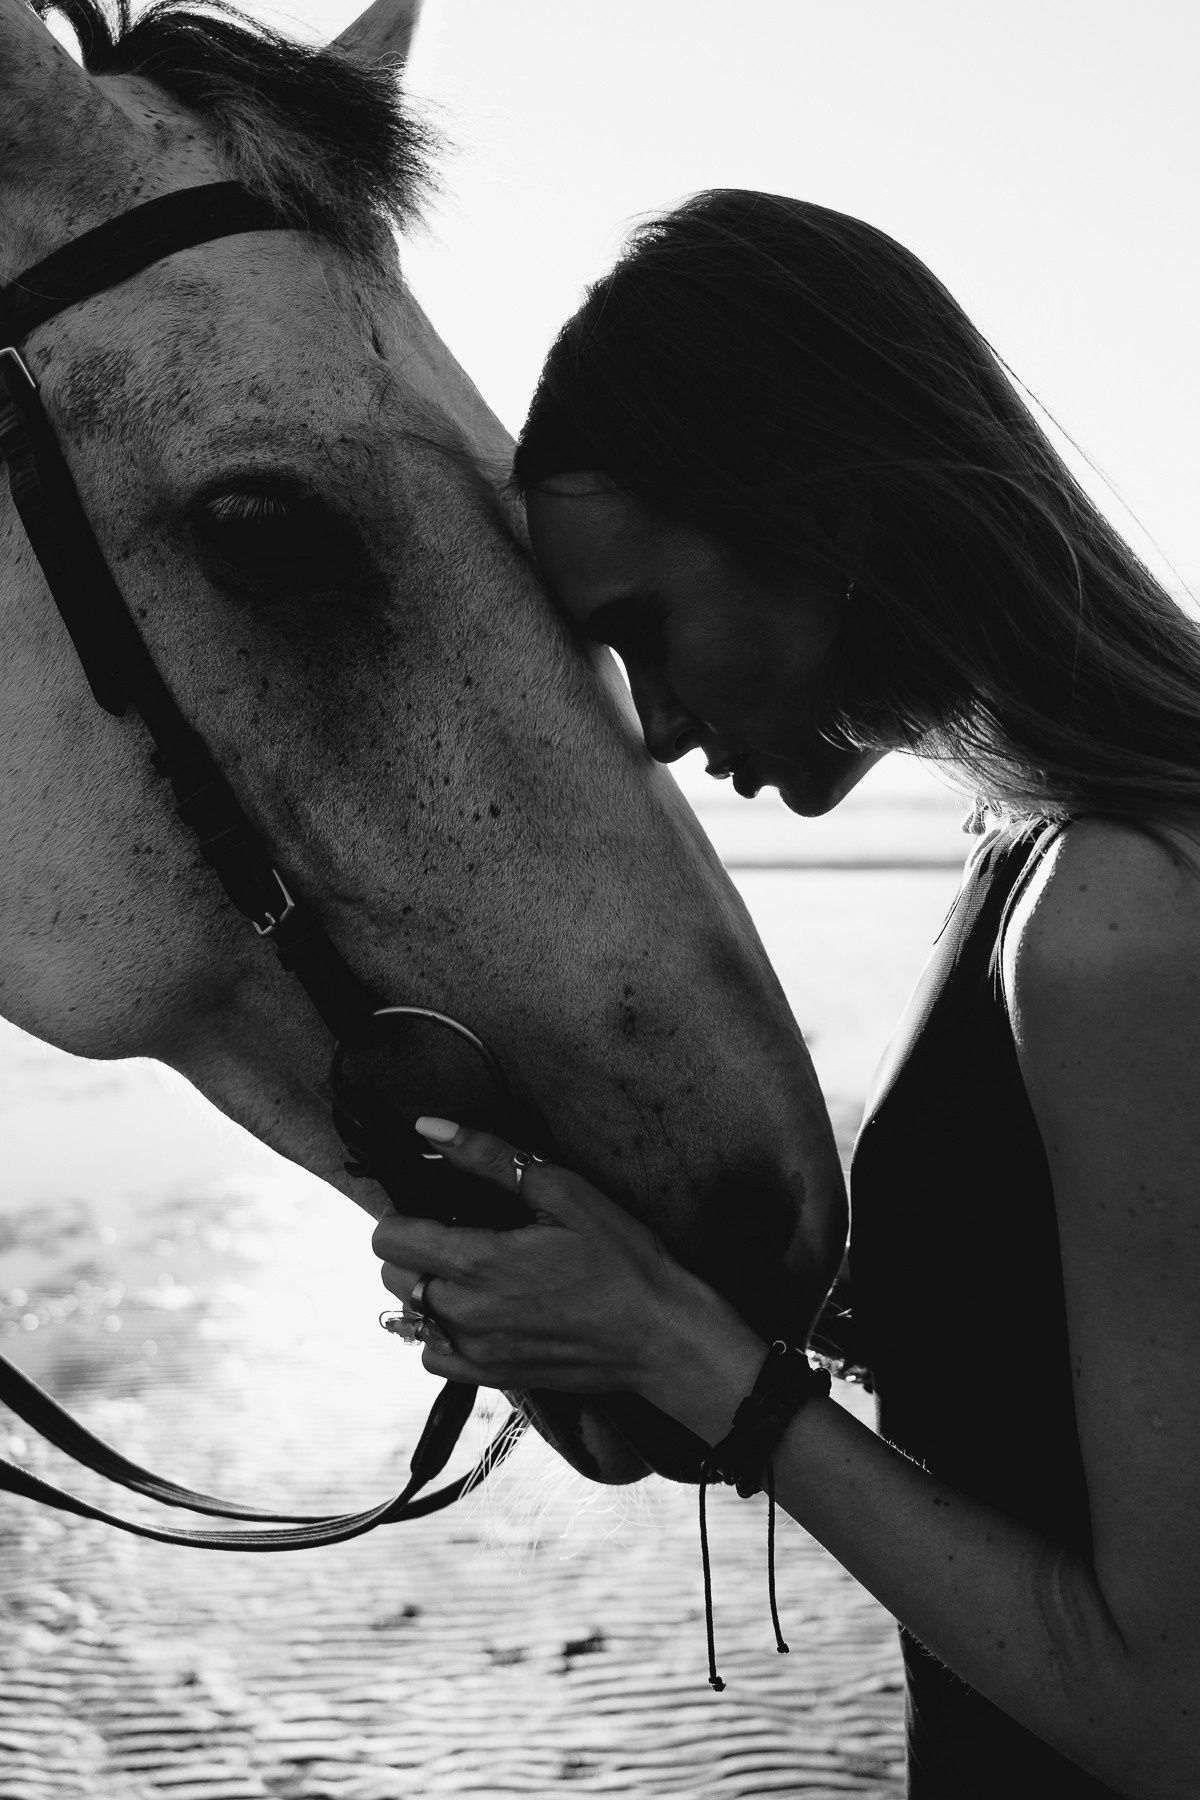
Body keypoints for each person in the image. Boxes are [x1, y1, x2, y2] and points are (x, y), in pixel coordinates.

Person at [371, 190, 1200, 1798]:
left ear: (821, 521)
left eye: (645, 633)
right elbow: (1038, 1398)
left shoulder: (1123, 916)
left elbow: (1168, 1710)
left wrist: (703, 1366)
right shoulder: (1040, 853)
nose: (660, 726)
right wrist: (605, 1303)